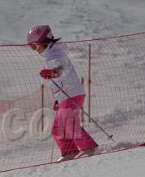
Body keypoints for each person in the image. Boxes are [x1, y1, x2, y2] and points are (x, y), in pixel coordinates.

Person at [27, 25, 98, 162]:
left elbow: (62, 68)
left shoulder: (56, 54)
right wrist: (58, 100)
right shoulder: (50, 55)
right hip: (65, 96)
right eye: (32, 47)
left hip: (72, 93)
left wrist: (53, 72)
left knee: (67, 120)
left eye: (35, 46)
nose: (35, 50)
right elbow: (59, 81)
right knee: (57, 127)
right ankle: (69, 151)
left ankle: (88, 147)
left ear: (44, 42)